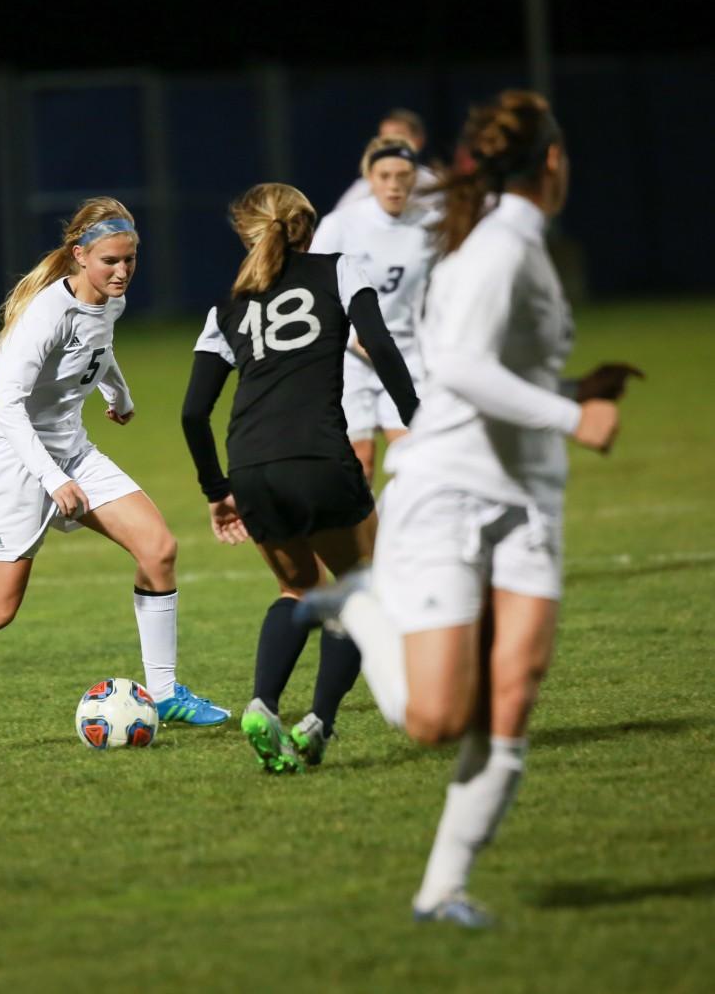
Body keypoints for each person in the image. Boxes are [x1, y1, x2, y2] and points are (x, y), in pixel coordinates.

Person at [300, 91, 640, 924]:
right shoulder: (499, 247)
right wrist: (573, 417)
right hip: (449, 490)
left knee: (513, 691)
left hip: (525, 495)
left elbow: (493, 367)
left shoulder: (513, 242)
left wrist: (566, 385)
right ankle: (364, 606)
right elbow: (455, 365)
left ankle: (441, 890)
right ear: (553, 162)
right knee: (433, 720)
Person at [0, 197, 229, 763]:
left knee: (158, 548)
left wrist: (116, 394)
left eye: (130, 259)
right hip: (15, 461)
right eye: (110, 261)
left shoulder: (108, 299)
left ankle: (165, 691)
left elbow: (98, 348)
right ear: (79, 256)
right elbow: (7, 406)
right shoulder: (43, 318)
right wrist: (53, 480)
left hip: (70, 450)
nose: (123, 271)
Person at [180, 183, 418, 773]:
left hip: (252, 466)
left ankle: (262, 703)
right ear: (307, 227)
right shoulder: (341, 269)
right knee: (363, 588)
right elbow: (380, 345)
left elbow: (192, 413)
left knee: (296, 590)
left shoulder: (227, 306)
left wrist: (218, 491)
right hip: (317, 458)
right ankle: (318, 723)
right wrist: (423, 422)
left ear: (247, 233)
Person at [311, 136, 438, 483]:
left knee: (414, 461)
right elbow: (313, 286)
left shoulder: (431, 225)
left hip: (405, 354)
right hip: (349, 358)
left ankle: (405, 537)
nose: (394, 185)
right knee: (360, 463)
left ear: (415, 177)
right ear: (369, 177)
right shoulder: (341, 224)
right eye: (384, 176)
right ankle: (365, 539)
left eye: (402, 175)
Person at [334, 108, 440, 212]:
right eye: (385, 137)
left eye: (398, 136)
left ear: (419, 140)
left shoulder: (434, 186)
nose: (390, 144)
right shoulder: (364, 187)